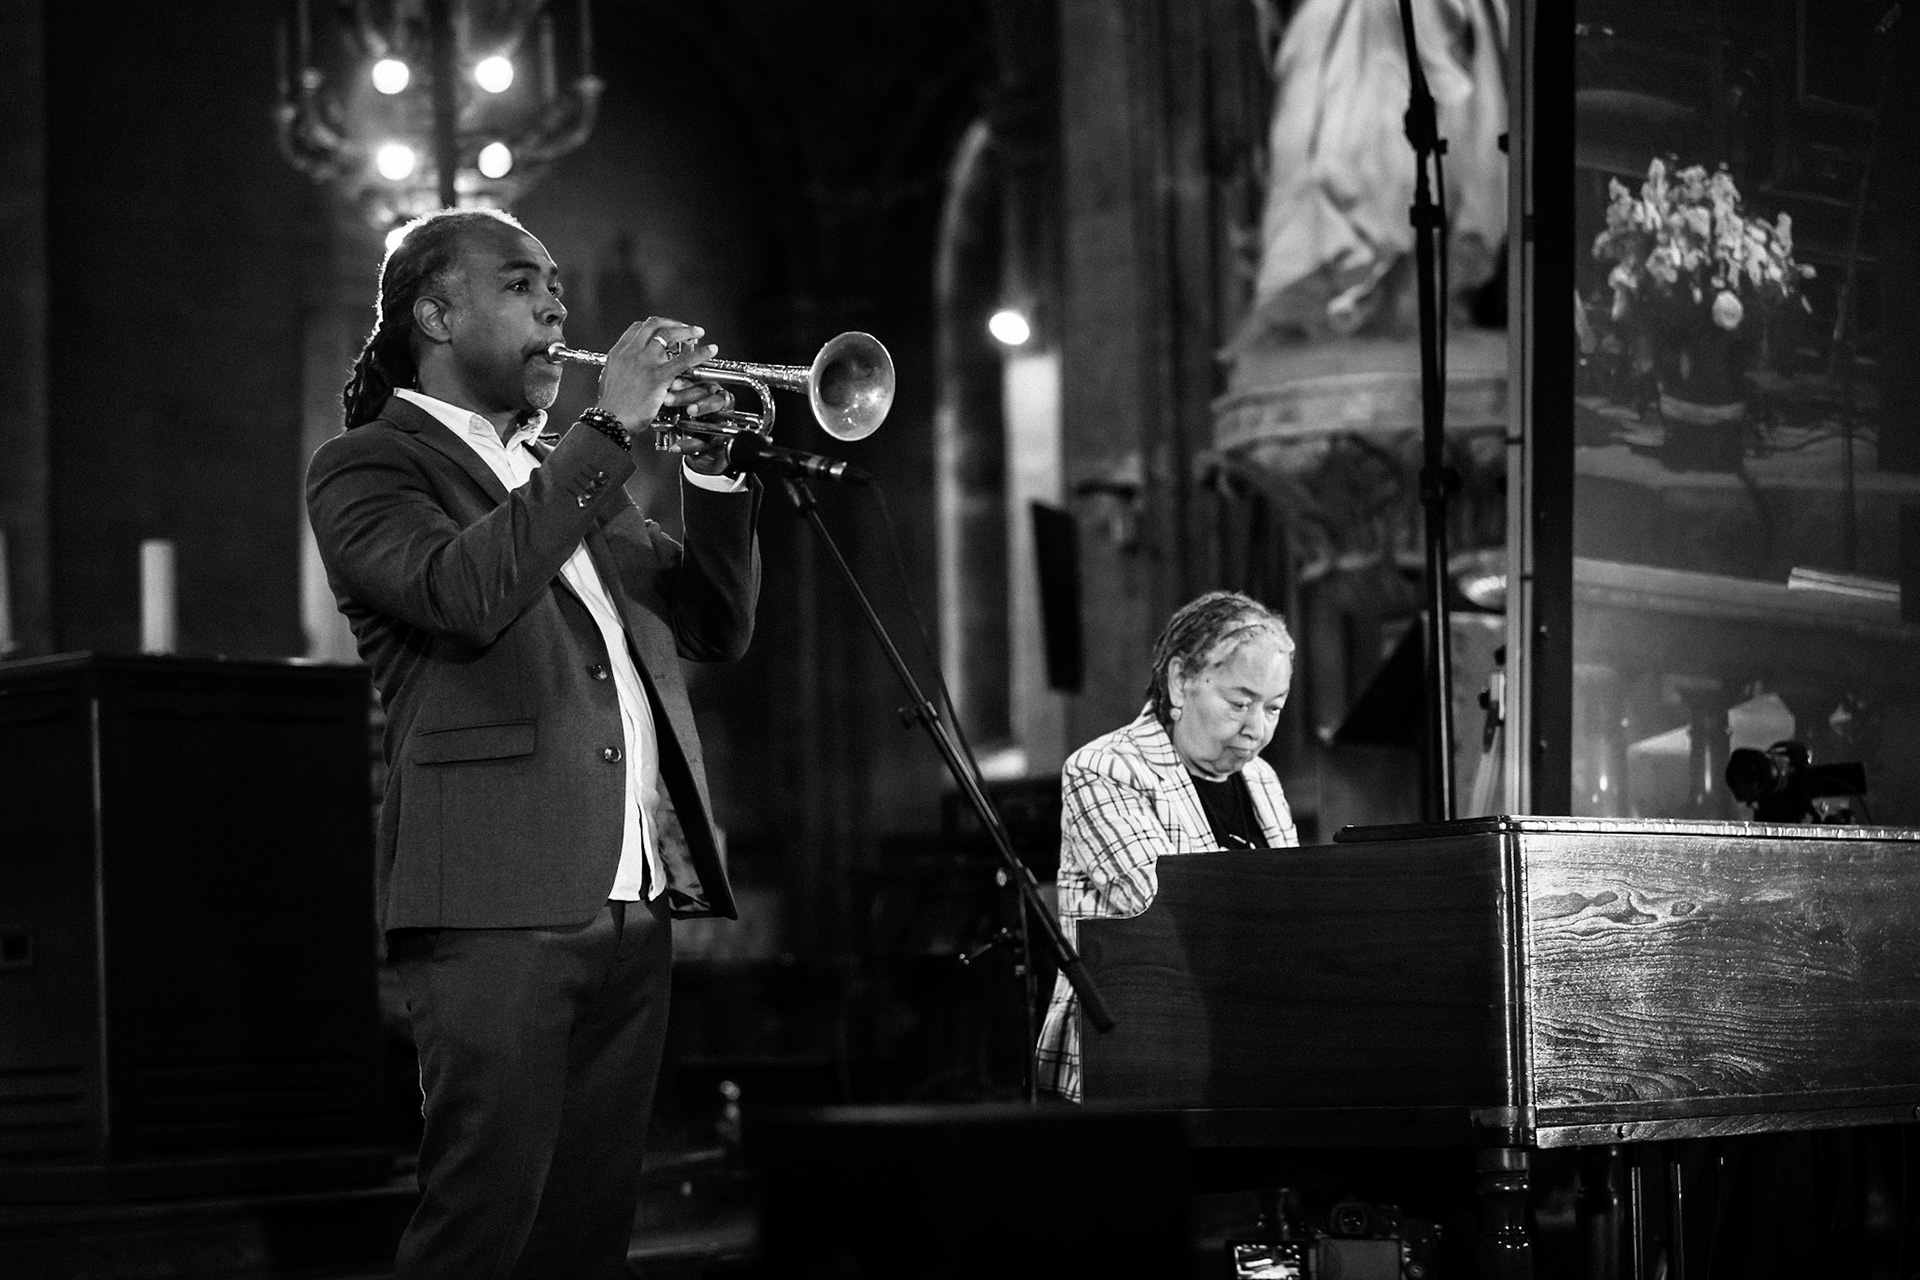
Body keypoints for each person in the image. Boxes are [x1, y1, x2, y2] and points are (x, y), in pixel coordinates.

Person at [305, 206, 760, 1280]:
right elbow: (461, 591)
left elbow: (711, 624)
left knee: (584, 1232)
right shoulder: (367, 466)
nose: (557, 304)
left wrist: (717, 475)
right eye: (521, 284)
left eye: (557, 284)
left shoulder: (558, 467)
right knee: (481, 1225)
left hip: (628, 897)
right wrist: (609, 435)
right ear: (435, 311)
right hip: (493, 897)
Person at [1035, 591, 1298, 1103]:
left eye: (1274, 708)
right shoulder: (1107, 768)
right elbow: (1173, 911)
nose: (1256, 729)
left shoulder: (1262, 779)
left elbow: (1287, 912)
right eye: (1240, 702)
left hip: (1240, 1025)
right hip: (1132, 1040)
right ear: (1180, 681)